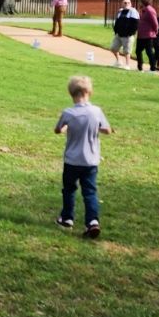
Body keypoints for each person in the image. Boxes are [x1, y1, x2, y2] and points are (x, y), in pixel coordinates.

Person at [55, 74, 111, 240]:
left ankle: (67, 218)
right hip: (91, 161)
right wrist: (97, 129)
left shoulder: (68, 113)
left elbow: (58, 129)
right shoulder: (96, 112)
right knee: (90, 192)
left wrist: (64, 129)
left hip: (72, 160)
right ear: (89, 92)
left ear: (71, 94)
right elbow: (106, 129)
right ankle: (92, 221)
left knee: (69, 189)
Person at [110, 0, 139, 66]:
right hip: (119, 34)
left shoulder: (133, 12)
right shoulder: (120, 11)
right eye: (125, 3)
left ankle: (127, 65)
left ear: (131, 4)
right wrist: (116, 31)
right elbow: (117, 22)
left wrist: (130, 33)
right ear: (122, 3)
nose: (126, 4)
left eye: (128, 3)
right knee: (113, 48)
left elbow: (136, 24)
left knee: (127, 51)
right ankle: (118, 61)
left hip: (127, 35)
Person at [135, 0, 159, 72]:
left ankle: (153, 68)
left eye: (140, 1)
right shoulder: (143, 10)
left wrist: (156, 31)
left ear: (143, 2)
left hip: (148, 35)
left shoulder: (150, 10)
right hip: (141, 34)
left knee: (149, 51)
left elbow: (155, 22)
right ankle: (140, 67)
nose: (139, 3)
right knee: (138, 51)